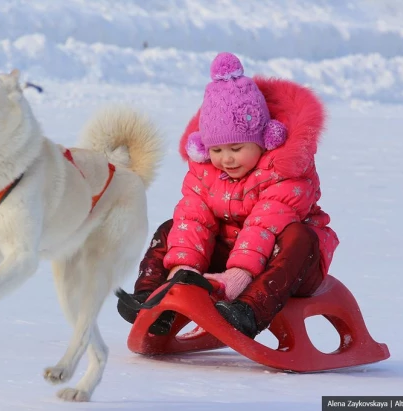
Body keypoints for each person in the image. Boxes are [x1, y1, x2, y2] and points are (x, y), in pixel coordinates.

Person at [117, 52, 339, 338]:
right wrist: (183, 271)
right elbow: (193, 219)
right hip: (231, 257)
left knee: (299, 237)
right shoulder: (205, 170)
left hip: (284, 265)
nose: (226, 159)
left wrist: (238, 278)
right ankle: (153, 300)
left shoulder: (285, 170)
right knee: (172, 229)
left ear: (265, 139)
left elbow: (263, 225)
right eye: (217, 150)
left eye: (236, 149)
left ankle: (249, 311)